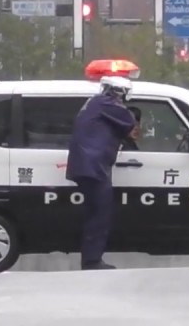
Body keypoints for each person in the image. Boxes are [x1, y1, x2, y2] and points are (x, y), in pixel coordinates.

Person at [65, 75, 140, 270]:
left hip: (88, 164)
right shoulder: (105, 103)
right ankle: (92, 260)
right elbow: (128, 119)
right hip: (93, 166)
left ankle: (90, 258)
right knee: (100, 213)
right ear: (117, 91)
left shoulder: (95, 103)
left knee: (94, 213)